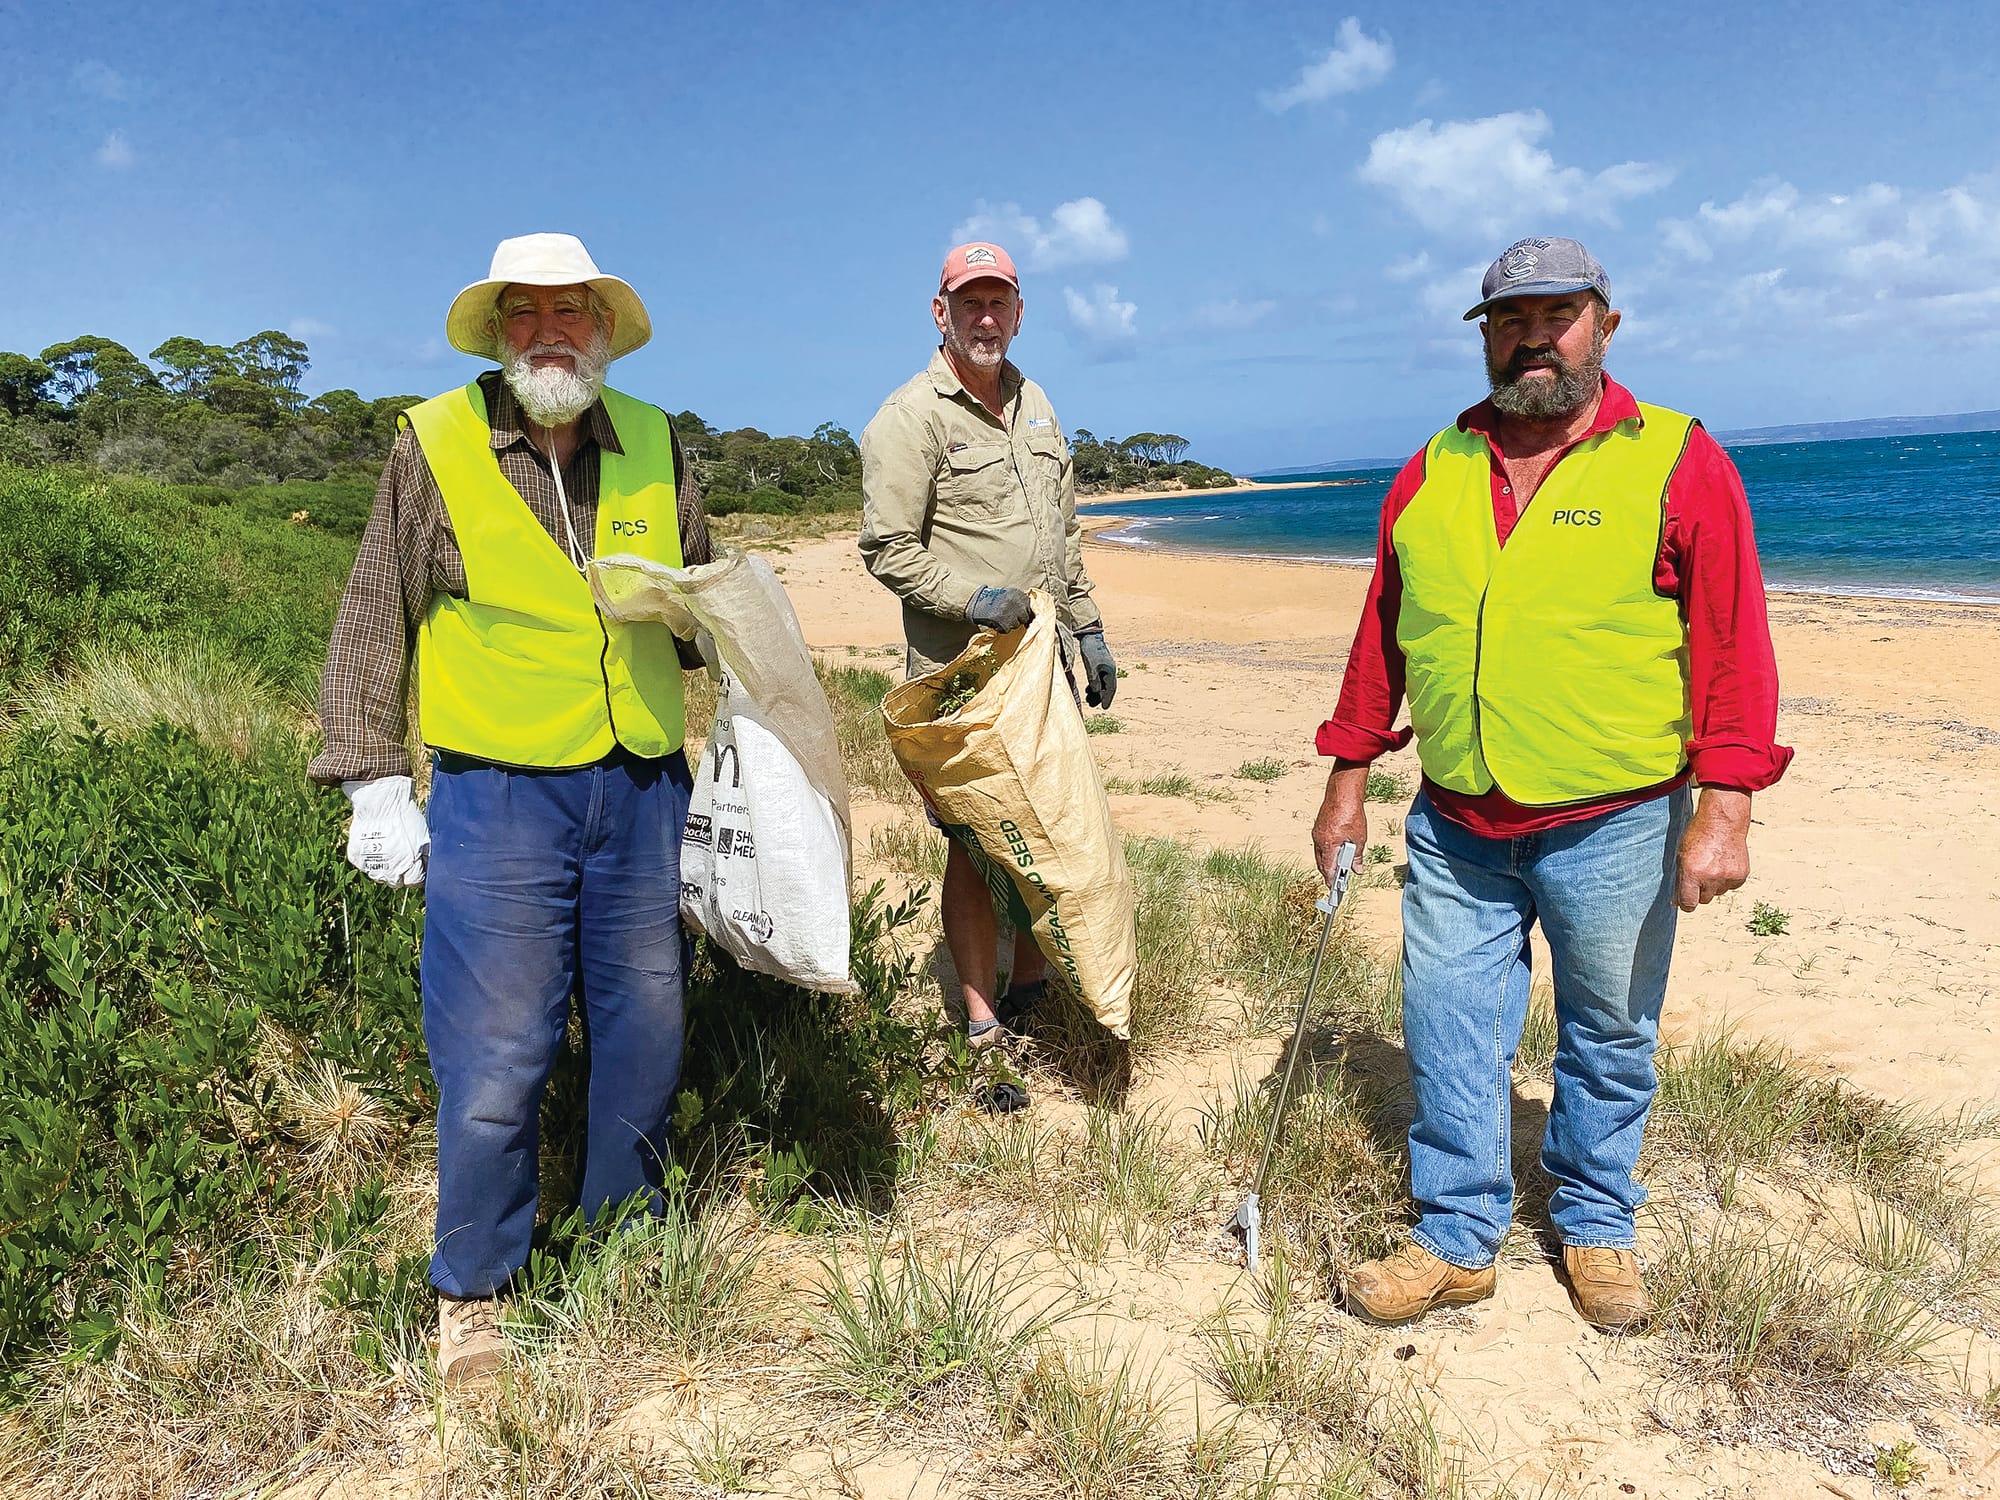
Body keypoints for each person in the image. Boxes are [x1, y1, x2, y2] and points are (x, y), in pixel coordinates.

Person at [1311, 237, 1792, 1332]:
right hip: (1454, 818)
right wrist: (1345, 779)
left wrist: (1724, 810)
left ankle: (1593, 1223)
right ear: (1484, 335)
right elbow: (1381, 638)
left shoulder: (1672, 456)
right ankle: (1454, 1238)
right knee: (1445, 1025)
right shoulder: (1431, 466)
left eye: (1556, 314)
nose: (1532, 335)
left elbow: (1730, 645)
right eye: (1507, 318)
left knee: (1609, 1032)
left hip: (1613, 818)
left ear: (1602, 325)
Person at [310, 232, 711, 1385]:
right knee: (494, 1051)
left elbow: (699, 600)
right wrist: (370, 775)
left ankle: (623, 1241)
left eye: (572, 312)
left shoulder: (656, 443)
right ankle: (474, 1291)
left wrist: (709, 627)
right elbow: (374, 604)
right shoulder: (430, 444)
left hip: (639, 782)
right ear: (497, 334)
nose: (550, 332)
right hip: (495, 794)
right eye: (525, 313)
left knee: (644, 1028)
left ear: (602, 331)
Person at [858, 242, 1118, 1067]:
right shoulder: (911, 416)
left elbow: (1062, 533)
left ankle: (1033, 991)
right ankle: (981, 1025)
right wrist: (970, 600)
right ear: (940, 312)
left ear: (1018, 310)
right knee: (977, 847)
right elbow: (886, 546)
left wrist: (1087, 626)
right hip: (960, 681)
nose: (984, 317)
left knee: (1045, 835)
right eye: (968, 302)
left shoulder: (1035, 402)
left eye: (997, 301)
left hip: (1040, 670)